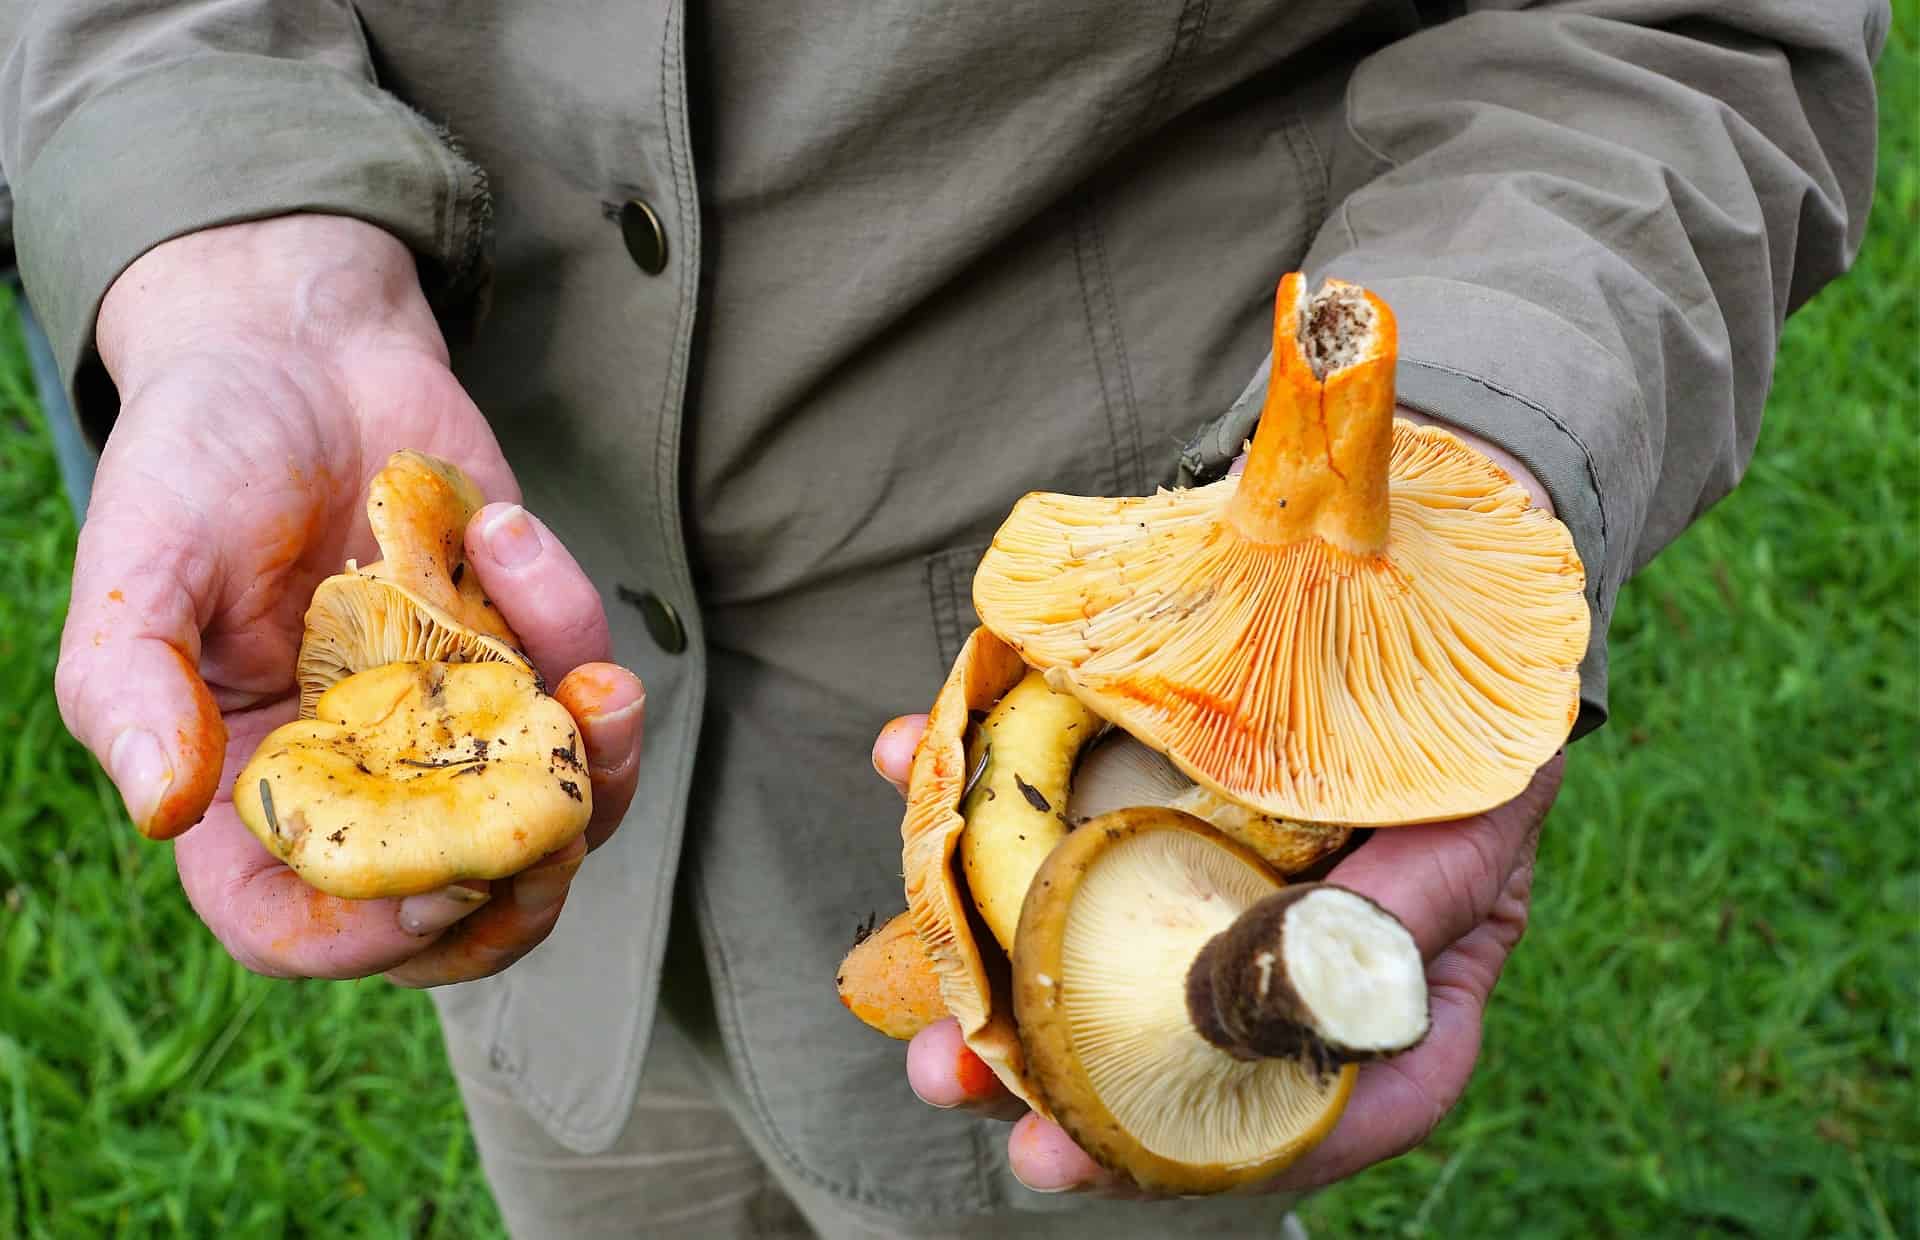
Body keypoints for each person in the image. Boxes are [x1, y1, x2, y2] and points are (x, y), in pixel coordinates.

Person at [2, 2, 1886, 1235]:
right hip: (520, 617)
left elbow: (1670, 39)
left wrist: (1425, 495)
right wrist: (232, 252)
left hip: (1157, 780)